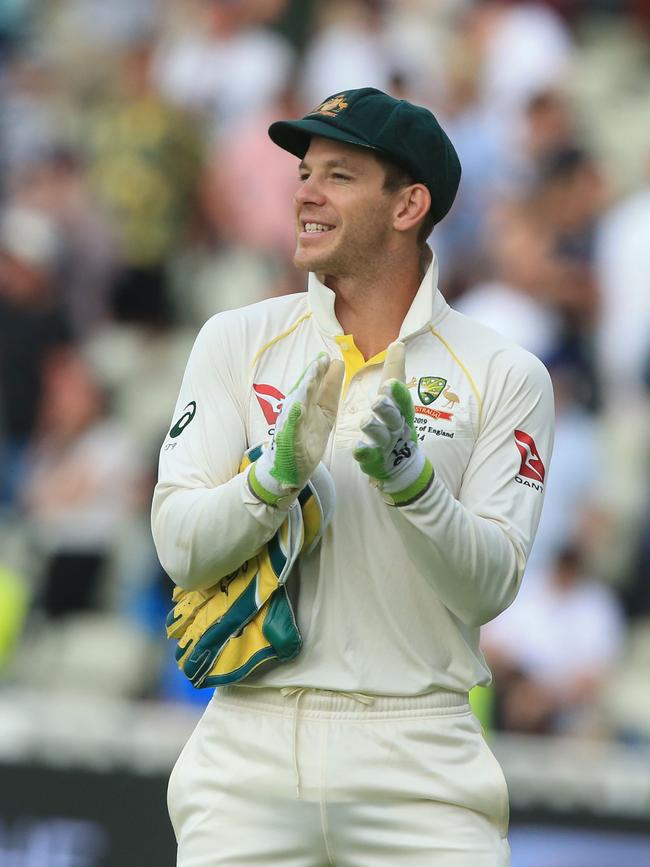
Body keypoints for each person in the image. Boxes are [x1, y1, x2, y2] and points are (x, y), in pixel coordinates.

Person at [151, 87, 554, 866]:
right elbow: (179, 547)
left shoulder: (506, 373)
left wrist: (415, 486)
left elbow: (489, 586)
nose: (304, 190)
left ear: (408, 206)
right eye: (305, 171)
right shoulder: (237, 340)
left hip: (421, 754)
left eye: (338, 175)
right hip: (248, 749)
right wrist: (270, 482)